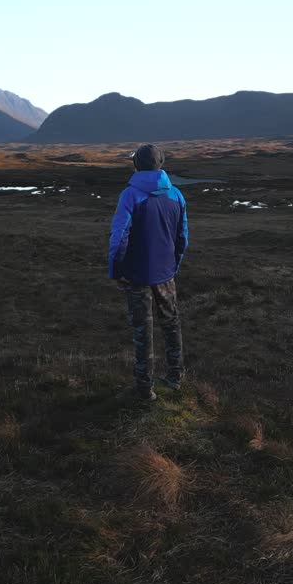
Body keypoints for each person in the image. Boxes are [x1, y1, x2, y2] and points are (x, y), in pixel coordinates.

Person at [108, 143, 188, 401]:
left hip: (136, 275)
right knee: (171, 323)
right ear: (160, 164)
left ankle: (144, 390)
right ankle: (176, 378)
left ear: (136, 165)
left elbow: (119, 238)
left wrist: (116, 270)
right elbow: (182, 238)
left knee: (143, 330)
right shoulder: (176, 195)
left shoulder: (130, 195)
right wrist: (173, 266)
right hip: (166, 273)